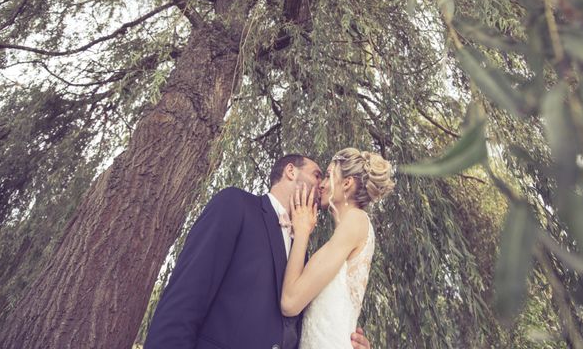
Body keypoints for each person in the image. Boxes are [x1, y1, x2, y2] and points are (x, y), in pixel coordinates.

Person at [144, 154, 371, 349]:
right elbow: (185, 297)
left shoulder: (301, 250)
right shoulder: (236, 205)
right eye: (317, 175)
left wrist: (343, 339)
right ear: (291, 171)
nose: (321, 184)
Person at [280, 148, 395, 349]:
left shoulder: (355, 220)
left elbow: (290, 302)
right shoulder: (348, 231)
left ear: (347, 183)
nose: (321, 185)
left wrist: (302, 231)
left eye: (327, 176)